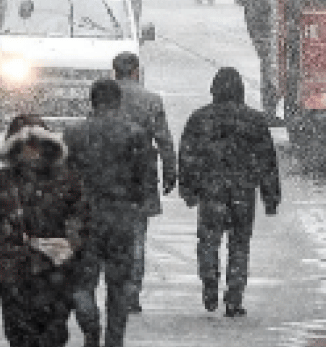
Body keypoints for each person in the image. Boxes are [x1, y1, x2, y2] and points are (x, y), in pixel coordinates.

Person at [0, 115, 87, 347]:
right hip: (21, 274)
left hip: (49, 273)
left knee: (48, 336)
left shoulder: (65, 180)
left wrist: (70, 245)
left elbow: (83, 220)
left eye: (36, 144)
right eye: (26, 145)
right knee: (24, 336)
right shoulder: (3, 180)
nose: (32, 152)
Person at [178, 67, 281, 317]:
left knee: (208, 240)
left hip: (210, 190)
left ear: (213, 90)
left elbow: (187, 156)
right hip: (243, 192)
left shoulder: (199, 118)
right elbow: (267, 160)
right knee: (239, 243)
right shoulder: (255, 121)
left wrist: (188, 188)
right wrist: (270, 196)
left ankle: (210, 283)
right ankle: (234, 298)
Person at [62, 80, 152, 347]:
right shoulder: (135, 134)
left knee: (81, 282)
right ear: (118, 101)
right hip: (121, 217)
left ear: (92, 101)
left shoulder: (74, 133)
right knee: (119, 285)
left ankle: (90, 325)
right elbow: (144, 181)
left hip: (83, 218)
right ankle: (115, 339)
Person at [112, 52, 177, 313]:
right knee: (137, 237)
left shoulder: (103, 98)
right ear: (136, 71)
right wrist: (170, 172)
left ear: (114, 71)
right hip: (141, 175)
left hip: (109, 175)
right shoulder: (151, 100)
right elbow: (164, 140)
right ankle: (132, 294)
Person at [234, 0, 282, 124]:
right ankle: (269, 113)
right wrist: (265, 36)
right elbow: (257, 18)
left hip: (263, 38)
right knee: (270, 75)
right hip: (265, 38)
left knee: (269, 73)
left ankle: (269, 111)